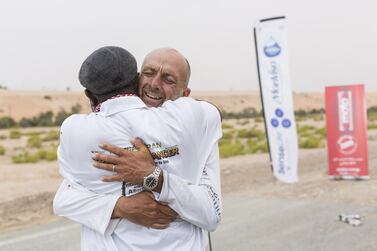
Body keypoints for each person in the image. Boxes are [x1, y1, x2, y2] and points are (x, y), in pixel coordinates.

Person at [53, 46, 222, 250]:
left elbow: (210, 214)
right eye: (149, 74)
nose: (154, 84)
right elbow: (64, 200)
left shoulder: (196, 137)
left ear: (185, 94)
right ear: (136, 80)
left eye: (168, 79)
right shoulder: (99, 133)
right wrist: (121, 207)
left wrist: (154, 177)